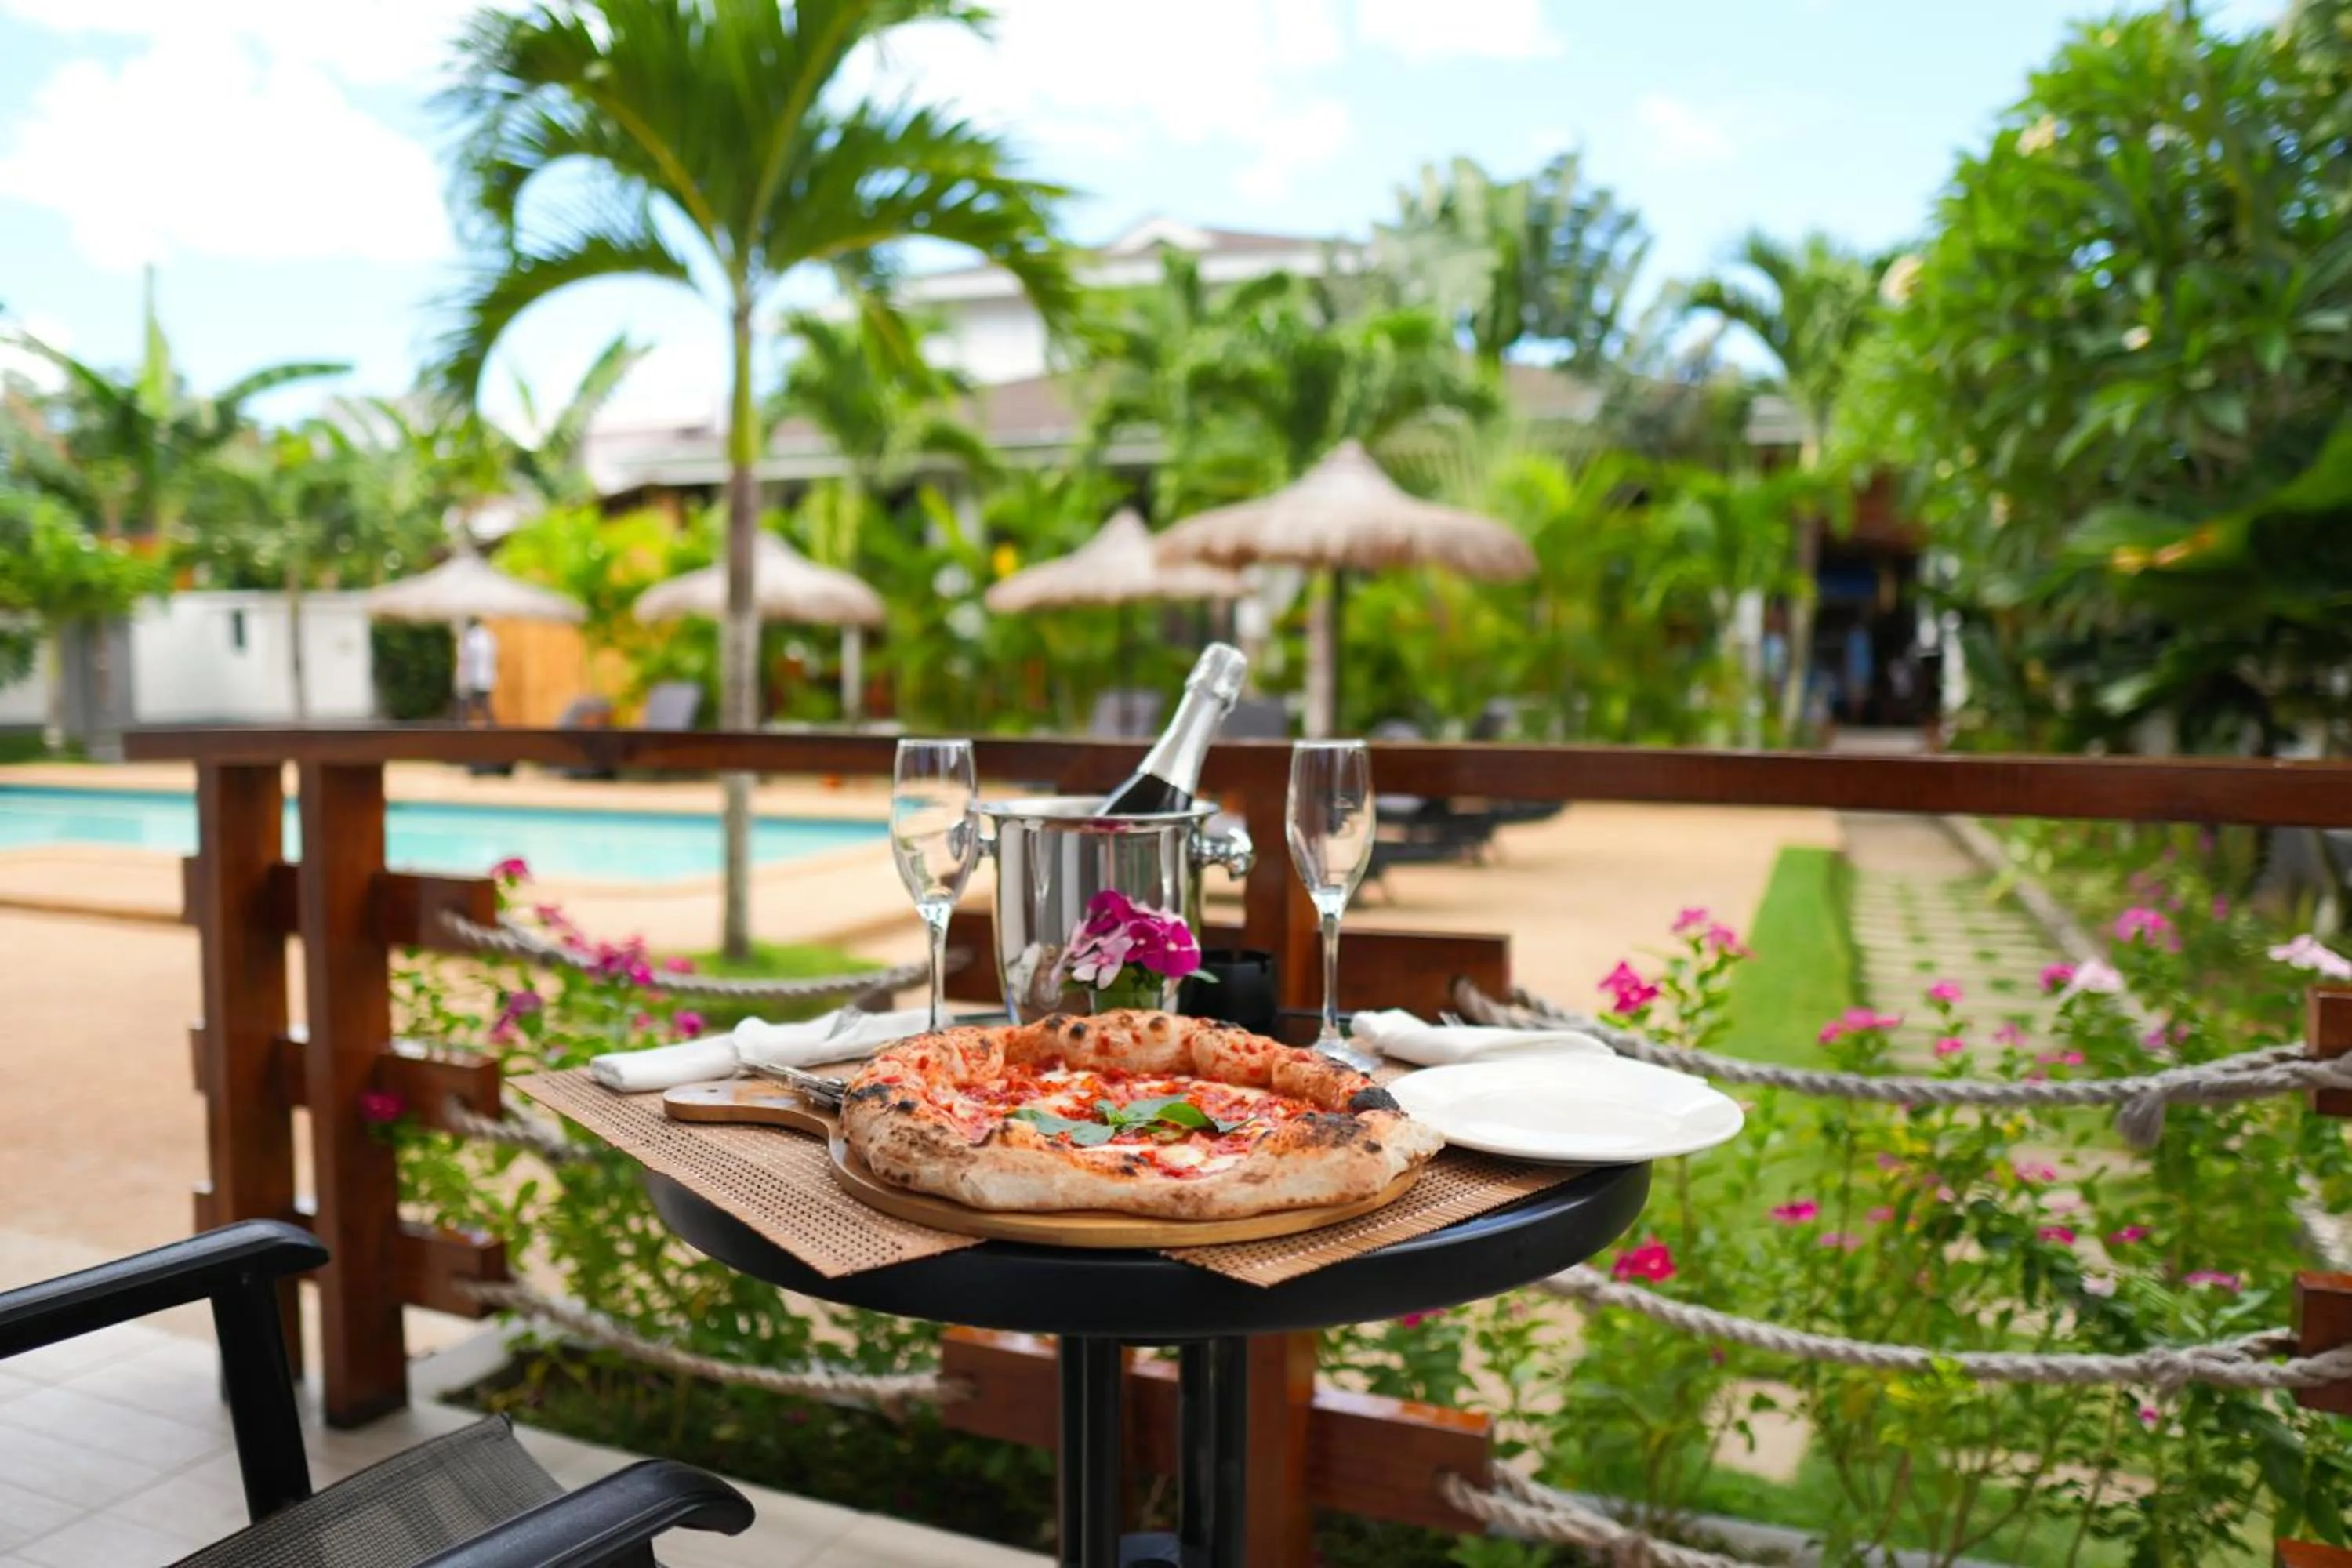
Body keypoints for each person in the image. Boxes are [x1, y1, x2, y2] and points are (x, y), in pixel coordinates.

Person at [457, 616, 499, 725]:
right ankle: (492, 728)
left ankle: (462, 730)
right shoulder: (489, 637)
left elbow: (465, 659)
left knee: (465, 707)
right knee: (484, 706)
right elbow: (494, 657)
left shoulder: (469, 638)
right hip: (486, 678)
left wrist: (462, 679)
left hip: (472, 678)